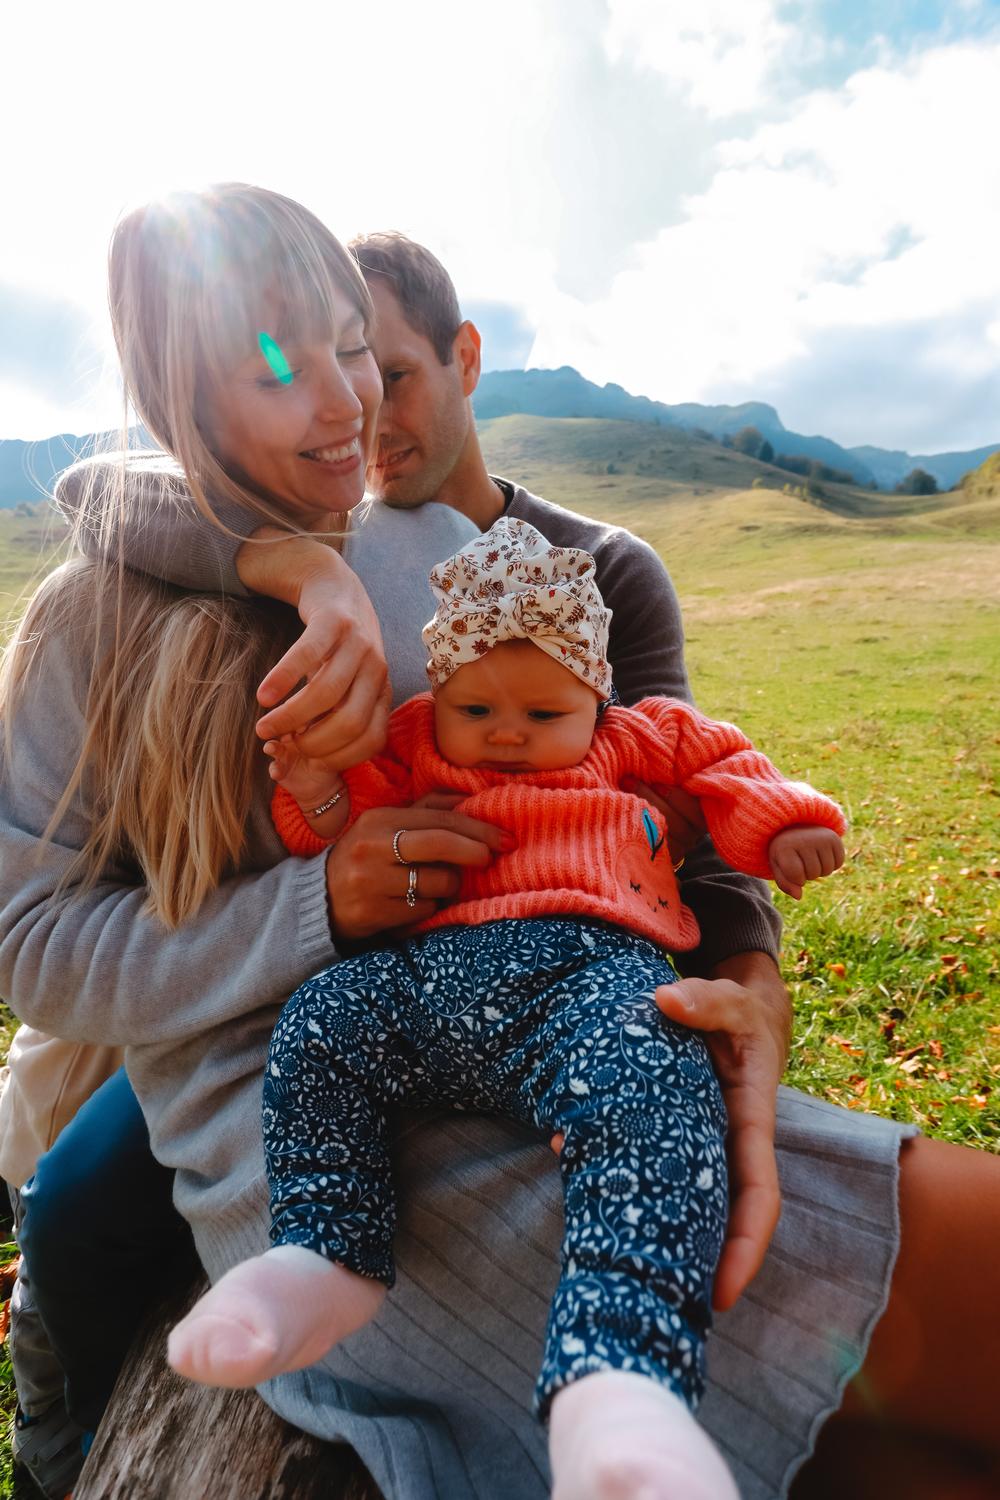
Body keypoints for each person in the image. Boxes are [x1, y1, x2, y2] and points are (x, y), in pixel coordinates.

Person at [3, 214, 997, 1500]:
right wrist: (316, 904)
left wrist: (746, 957)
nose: (344, 400)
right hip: (315, 1147)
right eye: (274, 368)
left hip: (572, 1055)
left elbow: (648, 764)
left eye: (357, 349)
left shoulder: (456, 564)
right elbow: (32, 946)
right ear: (175, 395)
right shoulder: (89, 622)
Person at [169, 516, 846, 1500]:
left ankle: (618, 1381)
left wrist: (785, 825)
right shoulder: (410, 742)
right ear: (437, 689)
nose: (507, 735)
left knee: (659, 1082)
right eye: (476, 706)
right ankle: (326, 1253)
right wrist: (315, 785)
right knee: (321, 1024)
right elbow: (336, 827)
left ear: (595, 697)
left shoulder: (636, 738)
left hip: (596, 979)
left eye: (543, 713)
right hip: (429, 982)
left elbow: (728, 767)